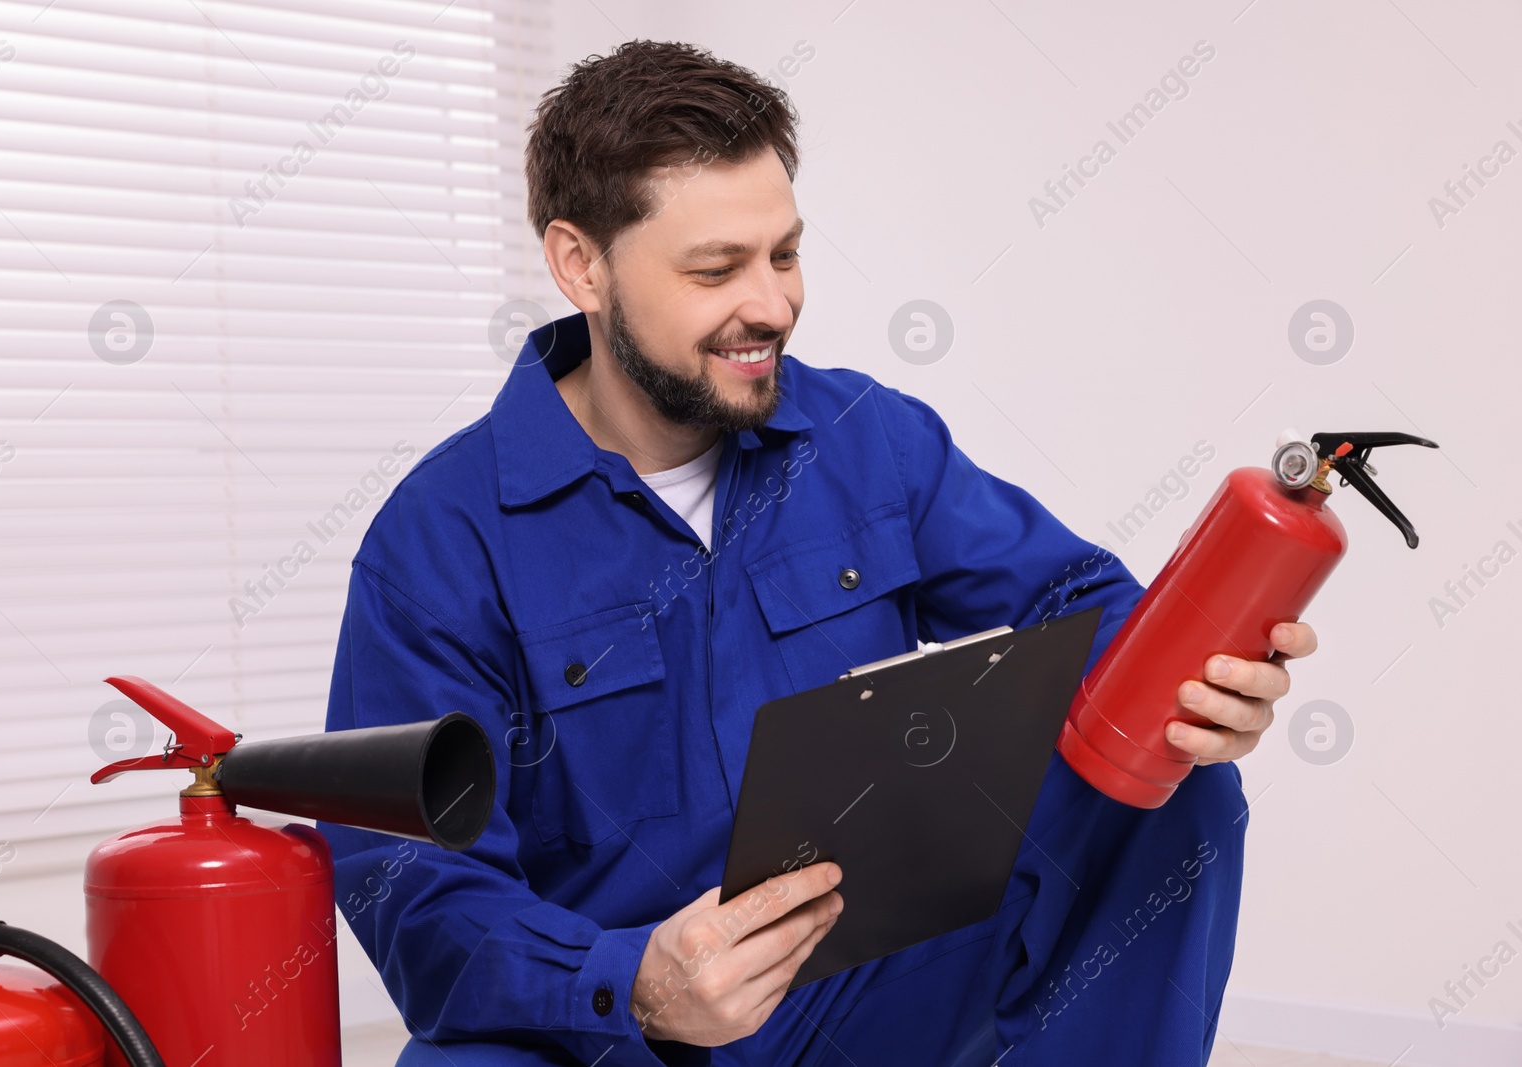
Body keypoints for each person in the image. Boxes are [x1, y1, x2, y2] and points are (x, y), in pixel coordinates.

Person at [317, 40, 1317, 1067]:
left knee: (1174, 780)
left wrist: (1189, 683)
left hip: (865, 979)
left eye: (784, 254)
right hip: (623, 1028)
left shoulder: (867, 440)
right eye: (715, 269)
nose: (773, 306)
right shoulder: (440, 539)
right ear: (581, 265)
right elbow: (413, 886)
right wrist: (637, 983)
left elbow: (1081, 597)